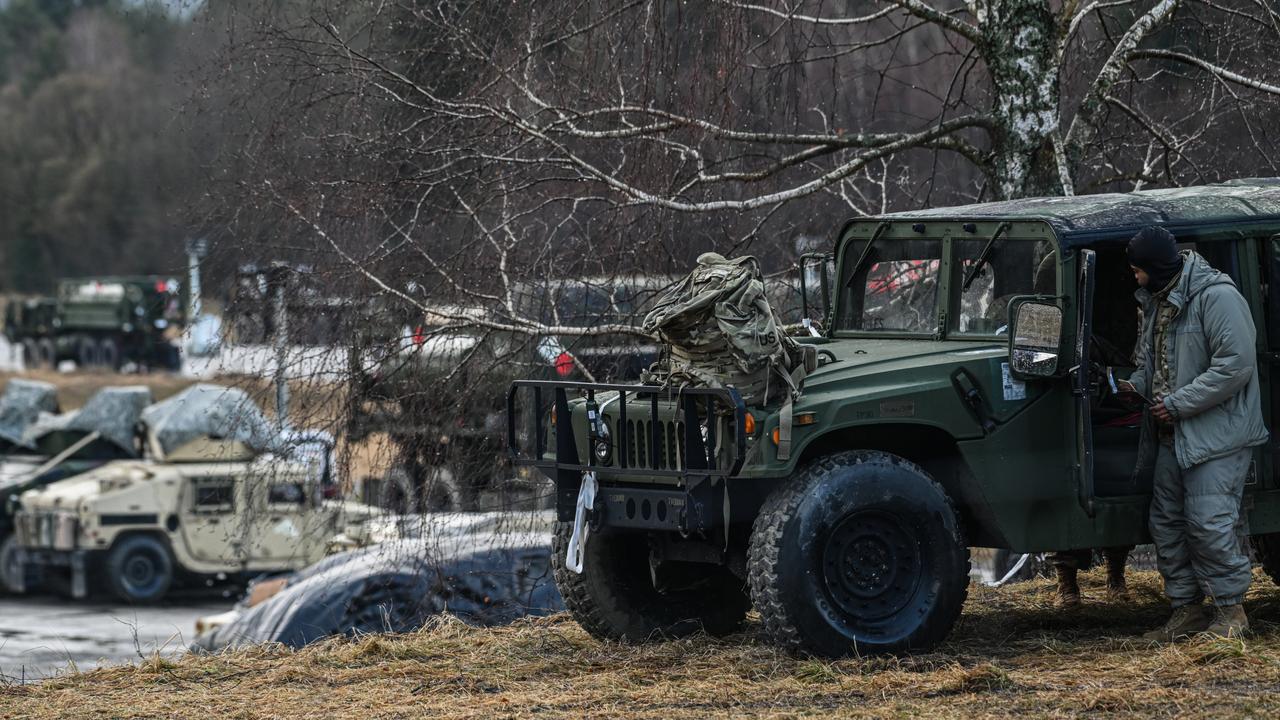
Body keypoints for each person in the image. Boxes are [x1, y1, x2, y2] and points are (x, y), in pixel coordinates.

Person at [1117, 226, 1268, 642]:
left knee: (1209, 523)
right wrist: (1136, 385)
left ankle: (1230, 613)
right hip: (1175, 433)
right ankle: (1185, 611)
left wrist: (1179, 403)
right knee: (1166, 523)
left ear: (1156, 267)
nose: (1134, 277)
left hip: (1216, 435)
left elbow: (1235, 366)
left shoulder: (1217, 297)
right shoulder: (1158, 302)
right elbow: (1155, 365)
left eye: (1137, 270)